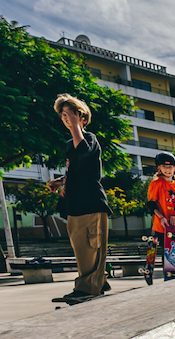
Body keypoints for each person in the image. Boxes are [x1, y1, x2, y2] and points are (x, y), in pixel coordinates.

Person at [48, 95, 110, 304]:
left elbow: (83, 150)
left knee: (90, 247)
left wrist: (75, 126)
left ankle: (87, 288)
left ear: (82, 117)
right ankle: (98, 282)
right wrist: (61, 181)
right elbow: (79, 170)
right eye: (63, 116)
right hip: (75, 205)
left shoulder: (89, 138)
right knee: (82, 249)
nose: (66, 119)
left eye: (71, 115)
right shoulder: (70, 144)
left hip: (90, 204)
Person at [146, 152, 175, 277]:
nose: (168, 170)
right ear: (159, 168)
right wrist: (161, 217)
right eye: (165, 167)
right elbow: (152, 205)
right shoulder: (156, 184)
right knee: (168, 251)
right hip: (161, 225)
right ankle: (167, 274)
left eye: (170, 167)